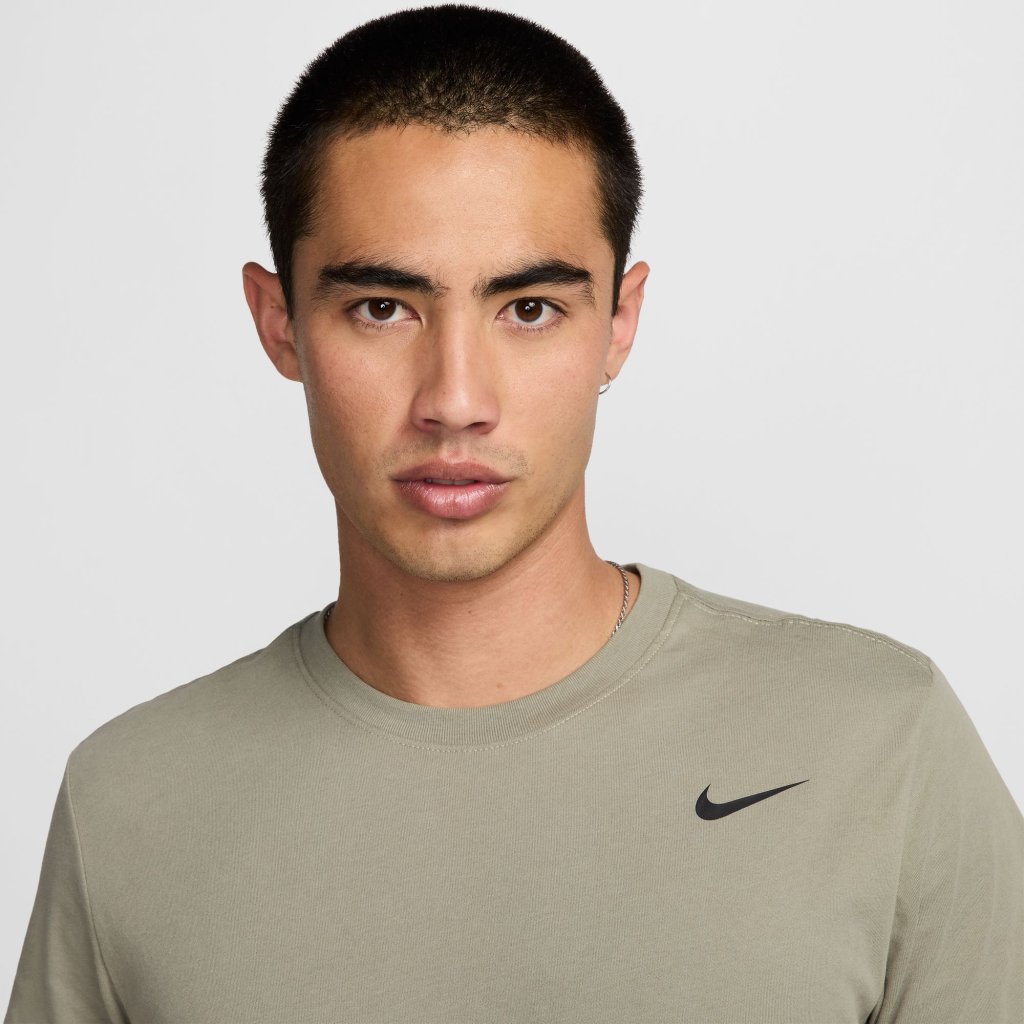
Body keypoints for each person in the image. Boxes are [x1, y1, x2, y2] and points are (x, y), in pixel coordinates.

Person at [6, 5, 1022, 1022]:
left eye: (529, 308)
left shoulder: (880, 745)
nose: (454, 398)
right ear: (279, 324)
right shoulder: (129, 805)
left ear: (619, 322)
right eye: (381, 307)